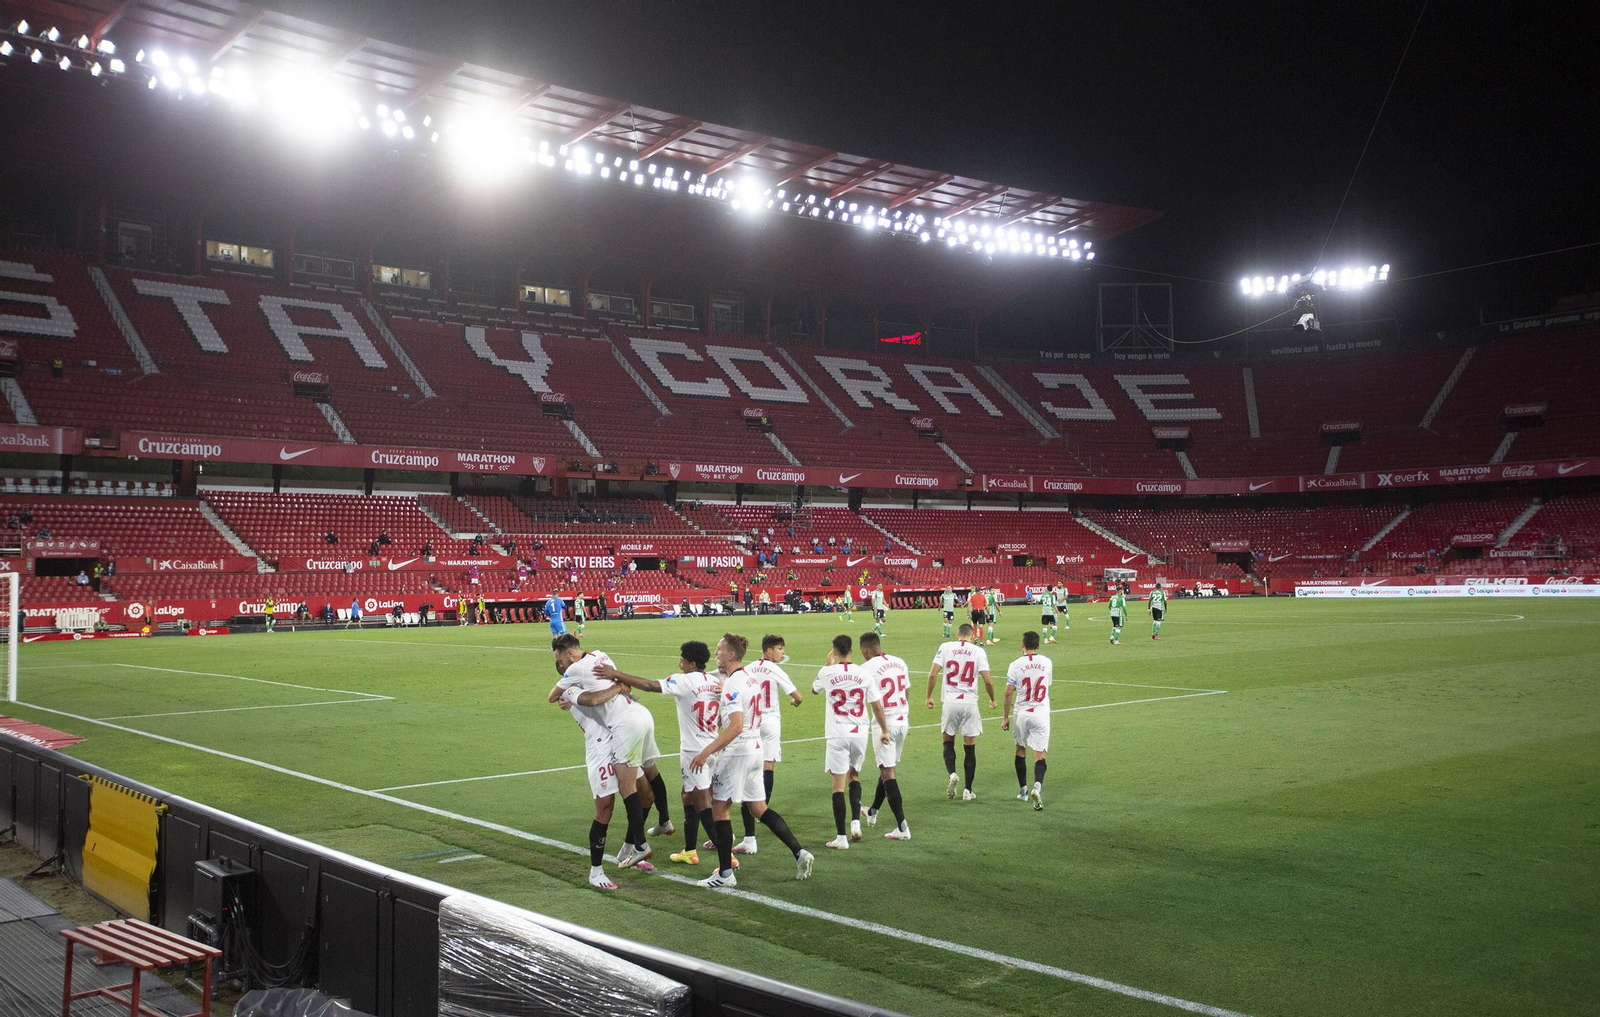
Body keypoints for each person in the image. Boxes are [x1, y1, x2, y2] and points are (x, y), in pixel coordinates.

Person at [688, 633, 813, 887]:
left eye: (720, 649)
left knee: (720, 809)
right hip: (757, 749)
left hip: (739, 751)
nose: (717, 653)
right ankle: (800, 852)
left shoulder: (734, 683)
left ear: (731, 654)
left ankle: (725, 874)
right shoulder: (750, 678)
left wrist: (706, 751)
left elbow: (734, 727)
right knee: (759, 809)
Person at [550, 633, 667, 875]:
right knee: (609, 805)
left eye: (562, 662)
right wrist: (617, 687)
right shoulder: (571, 692)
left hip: (620, 734)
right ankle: (605, 865)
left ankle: (634, 847)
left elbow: (594, 690)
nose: (565, 669)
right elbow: (591, 700)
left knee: (640, 795)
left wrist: (616, 686)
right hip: (602, 747)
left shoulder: (587, 669)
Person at [597, 642, 718, 866]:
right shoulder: (715, 682)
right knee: (688, 796)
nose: (679, 662)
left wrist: (616, 674)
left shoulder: (684, 681)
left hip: (695, 753)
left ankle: (726, 859)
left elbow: (650, 685)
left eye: (682, 659)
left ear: (691, 664)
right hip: (714, 748)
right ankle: (690, 851)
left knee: (702, 805)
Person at [812, 634, 890, 849]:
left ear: (834, 651)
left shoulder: (826, 672)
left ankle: (841, 837)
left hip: (837, 734)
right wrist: (884, 730)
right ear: (852, 651)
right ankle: (855, 823)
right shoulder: (864, 673)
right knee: (854, 775)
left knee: (838, 787)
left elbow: (814, 689)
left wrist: (827, 664)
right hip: (859, 733)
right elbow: (876, 705)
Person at [736, 634, 802, 855]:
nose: (782, 653)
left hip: (752, 721)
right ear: (768, 651)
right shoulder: (775, 669)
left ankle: (749, 838)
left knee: (748, 774)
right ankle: (761, 812)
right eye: (779, 649)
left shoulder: (749, 668)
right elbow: (798, 697)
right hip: (771, 722)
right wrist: (794, 701)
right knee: (768, 767)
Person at [926, 623, 994, 801]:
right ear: (972, 637)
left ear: (957, 635)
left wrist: (929, 696)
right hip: (970, 703)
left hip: (950, 701)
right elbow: (987, 680)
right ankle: (968, 790)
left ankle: (952, 773)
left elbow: (933, 674)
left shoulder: (945, 647)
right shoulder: (978, 651)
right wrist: (992, 698)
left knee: (948, 741)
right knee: (969, 747)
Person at [859, 631, 912, 840]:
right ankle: (872, 812)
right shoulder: (899, 662)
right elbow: (906, 691)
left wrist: (883, 729)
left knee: (889, 774)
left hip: (885, 725)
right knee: (887, 768)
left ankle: (902, 827)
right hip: (902, 720)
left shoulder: (865, 669)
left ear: (865, 649)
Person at [1002, 631, 1053, 811]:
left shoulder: (1015, 665)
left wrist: (1005, 717)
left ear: (1022, 645)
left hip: (1021, 714)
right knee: (1040, 754)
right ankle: (1037, 787)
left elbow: (1008, 692)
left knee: (1020, 749)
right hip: (1040, 713)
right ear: (1038, 646)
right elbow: (1047, 685)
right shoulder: (1047, 662)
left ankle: (1023, 791)